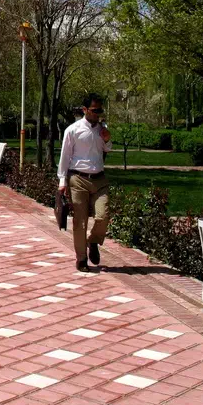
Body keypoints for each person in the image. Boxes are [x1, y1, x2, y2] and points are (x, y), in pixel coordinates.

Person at [57, 94, 112, 272]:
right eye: (95, 110)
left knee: (103, 216)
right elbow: (65, 157)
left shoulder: (102, 129)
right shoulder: (72, 130)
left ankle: (93, 241)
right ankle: (81, 259)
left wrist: (107, 139)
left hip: (99, 179)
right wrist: (62, 181)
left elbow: (108, 149)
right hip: (78, 179)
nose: (98, 114)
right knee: (80, 222)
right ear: (84, 110)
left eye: (100, 110)